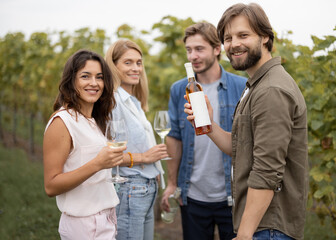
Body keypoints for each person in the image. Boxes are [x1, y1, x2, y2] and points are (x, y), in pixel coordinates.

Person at [185, 3, 308, 240]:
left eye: (243, 35)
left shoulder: (271, 90)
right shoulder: (257, 85)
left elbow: (267, 171)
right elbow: (242, 148)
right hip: (262, 226)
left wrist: (244, 234)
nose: (234, 44)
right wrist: (208, 125)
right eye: (228, 38)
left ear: (264, 36)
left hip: (268, 228)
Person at [161, 22, 247, 240]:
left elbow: (249, 142)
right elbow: (174, 137)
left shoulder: (243, 86)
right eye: (189, 50)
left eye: (199, 49)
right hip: (193, 195)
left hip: (233, 196)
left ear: (217, 49)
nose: (193, 56)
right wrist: (172, 183)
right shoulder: (179, 89)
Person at [43, 49, 124, 239]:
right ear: (72, 80)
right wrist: (98, 163)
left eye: (99, 77)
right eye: (85, 76)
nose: (94, 83)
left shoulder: (94, 121)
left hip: (106, 218)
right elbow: (51, 186)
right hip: (84, 226)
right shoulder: (62, 122)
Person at [105, 39, 168, 240]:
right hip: (130, 189)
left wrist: (153, 169)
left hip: (146, 189)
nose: (136, 68)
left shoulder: (133, 102)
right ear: (113, 67)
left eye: (139, 63)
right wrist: (144, 158)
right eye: (128, 62)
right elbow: (107, 155)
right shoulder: (113, 102)